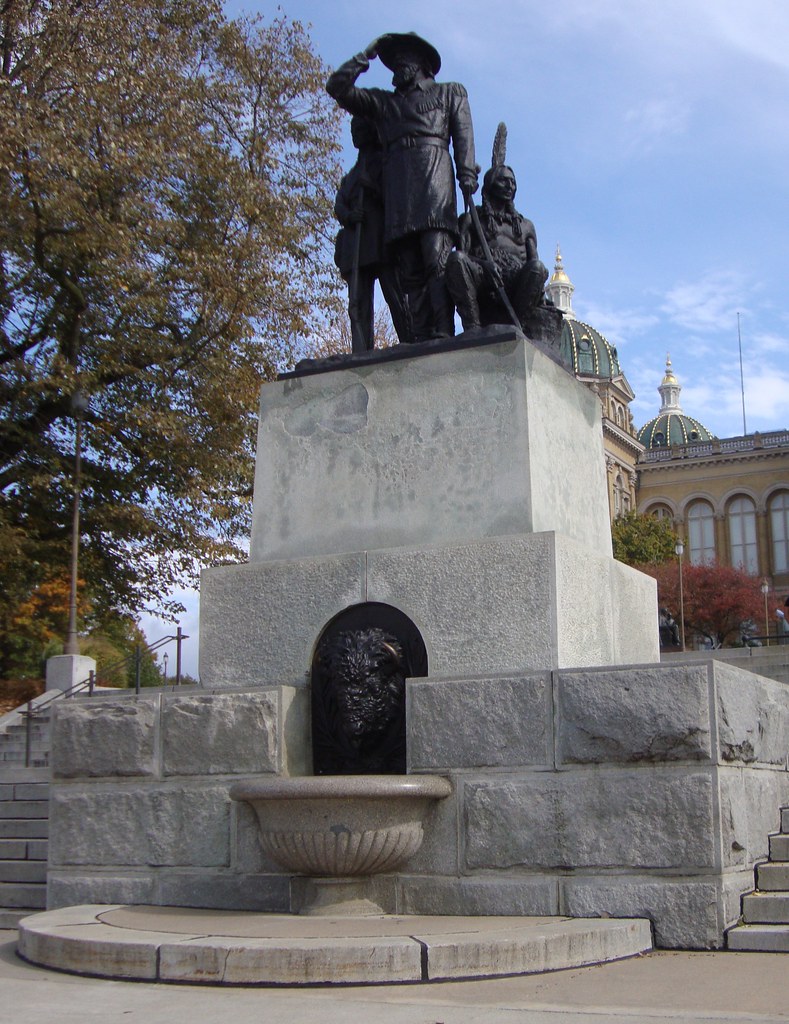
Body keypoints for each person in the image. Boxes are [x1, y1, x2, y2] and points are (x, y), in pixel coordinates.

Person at [327, 32, 478, 343]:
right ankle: (421, 336)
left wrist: (467, 175)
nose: (396, 68)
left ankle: (443, 330)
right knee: (408, 270)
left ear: (421, 63)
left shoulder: (450, 93)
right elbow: (337, 88)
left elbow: (463, 136)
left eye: (403, 61)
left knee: (435, 259)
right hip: (399, 190)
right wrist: (364, 57)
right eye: (393, 63)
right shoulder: (385, 103)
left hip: (433, 179)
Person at [446, 123, 550, 332]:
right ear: (491, 185)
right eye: (503, 181)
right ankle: (473, 327)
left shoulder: (526, 225)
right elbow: (462, 256)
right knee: (457, 260)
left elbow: (535, 265)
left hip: (515, 280)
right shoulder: (472, 219)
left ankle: (515, 328)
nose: (509, 186)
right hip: (483, 276)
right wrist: (485, 265)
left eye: (512, 182)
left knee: (538, 269)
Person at [333, 115, 408, 351]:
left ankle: (410, 340)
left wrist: (374, 188)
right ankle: (361, 348)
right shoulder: (352, 175)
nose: (356, 133)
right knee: (359, 300)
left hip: (381, 237)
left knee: (394, 293)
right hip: (357, 241)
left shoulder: (385, 164)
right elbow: (340, 203)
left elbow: (397, 197)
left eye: (360, 128)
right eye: (353, 129)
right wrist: (348, 215)